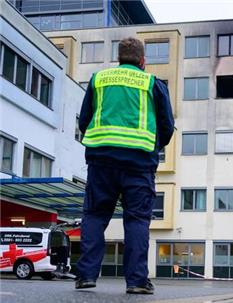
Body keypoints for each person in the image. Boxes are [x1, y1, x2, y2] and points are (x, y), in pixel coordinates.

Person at [75, 37, 174, 295]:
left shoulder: (99, 80)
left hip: (101, 161)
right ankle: (137, 281)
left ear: (119, 58)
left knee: (95, 216)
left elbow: (84, 119)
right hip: (139, 164)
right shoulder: (152, 83)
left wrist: (99, 142)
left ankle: (86, 276)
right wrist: (153, 145)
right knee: (137, 220)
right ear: (142, 61)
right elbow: (166, 126)